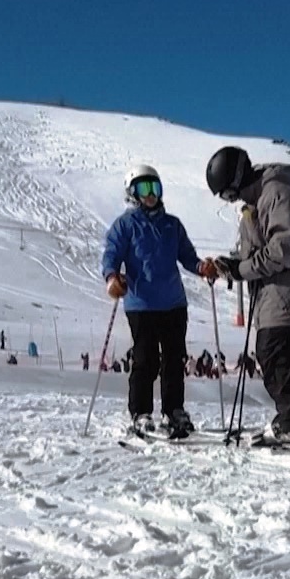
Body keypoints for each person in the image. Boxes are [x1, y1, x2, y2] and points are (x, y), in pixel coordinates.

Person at [205, 146, 290, 448]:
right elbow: (256, 249)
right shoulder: (256, 201)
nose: (227, 200)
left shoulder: (276, 195)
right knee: (273, 354)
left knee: (272, 352)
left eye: (225, 193)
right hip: (276, 294)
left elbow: (284, 249)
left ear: (234, 181)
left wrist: (242, 270)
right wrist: (230, 264)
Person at [103, 165, 216, 440]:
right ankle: (140, 413)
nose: (151, 194)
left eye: (156, 188)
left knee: (175, 360)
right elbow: (111, 255)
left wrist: (202, 267)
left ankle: (174, 410)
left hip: (174, 303)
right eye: (144, 189)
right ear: (132, 193)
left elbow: (188, 256)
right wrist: (112, 277)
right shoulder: (125, 225)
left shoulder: (172, 225)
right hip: (141, 304)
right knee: (146, 360)